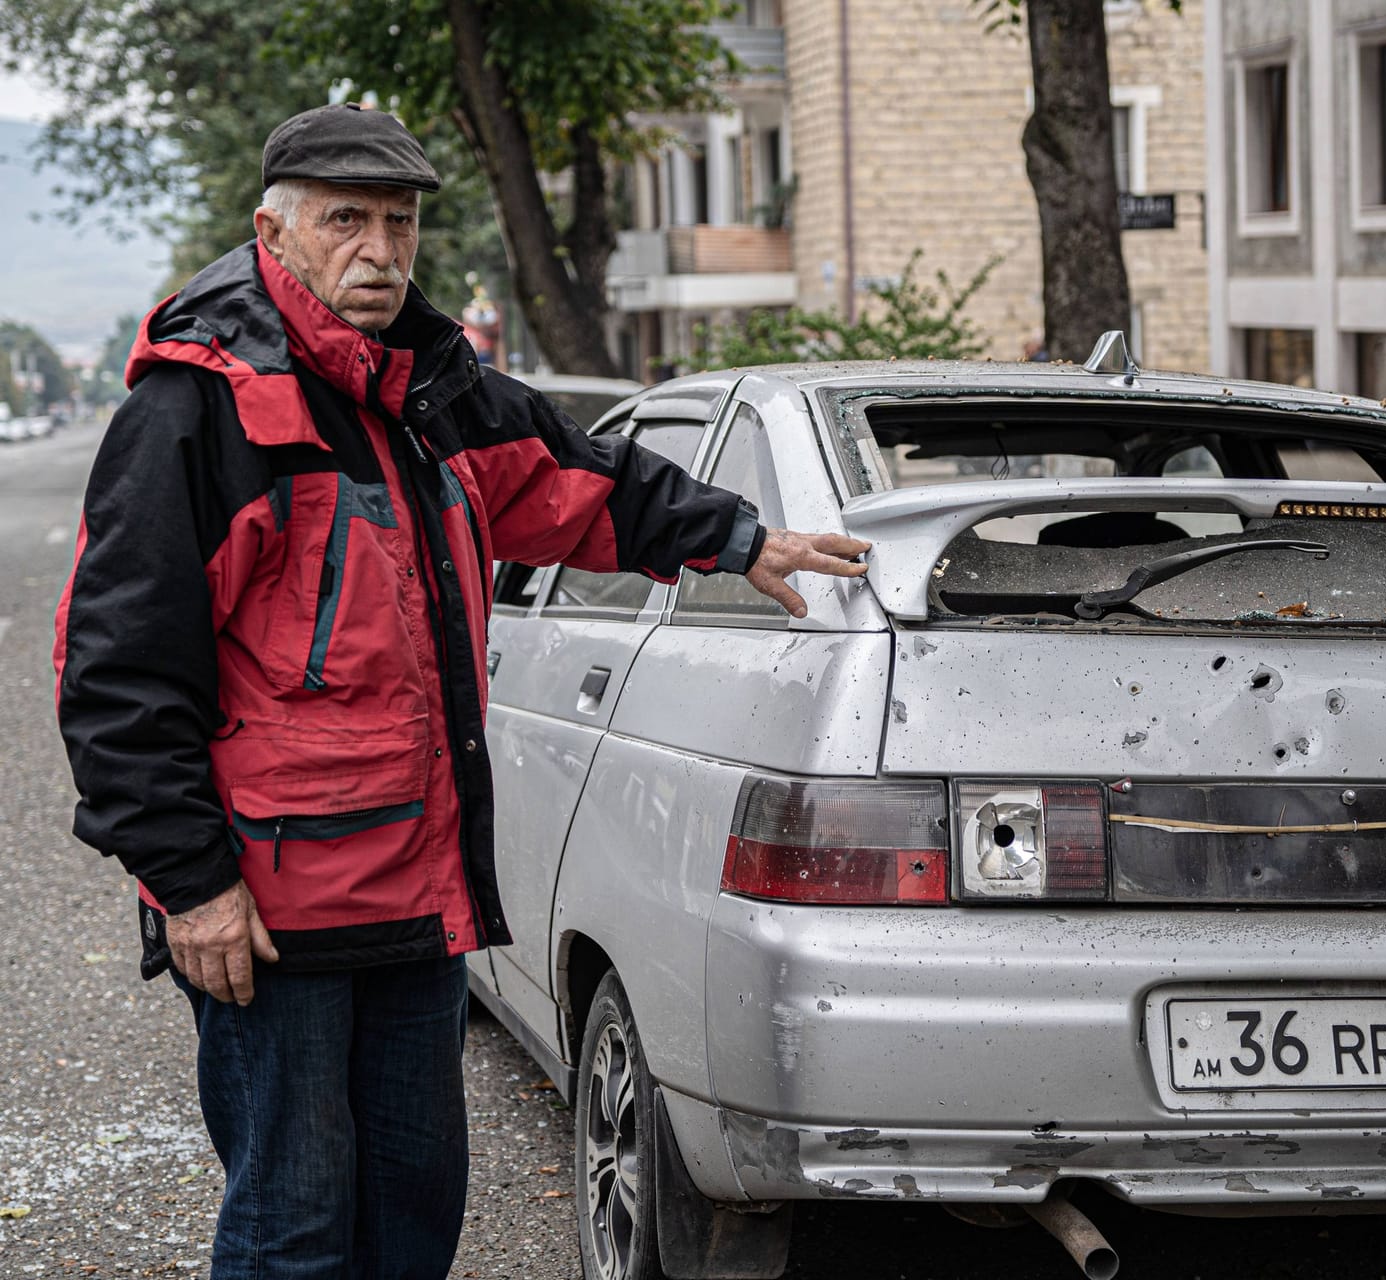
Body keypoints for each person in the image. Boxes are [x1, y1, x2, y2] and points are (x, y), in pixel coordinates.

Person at [51, 103, 869, 1279]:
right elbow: (116, 670)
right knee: (293, 1225)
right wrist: (192, 884)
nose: (379, 250)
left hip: (414, 898)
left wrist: (740, 537)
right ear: (272, 231)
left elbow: (579, 481)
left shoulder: (430, 388)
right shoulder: (200, 407)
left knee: (415, 1212)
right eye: (346, 221)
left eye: (400, 221)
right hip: (272, 915)